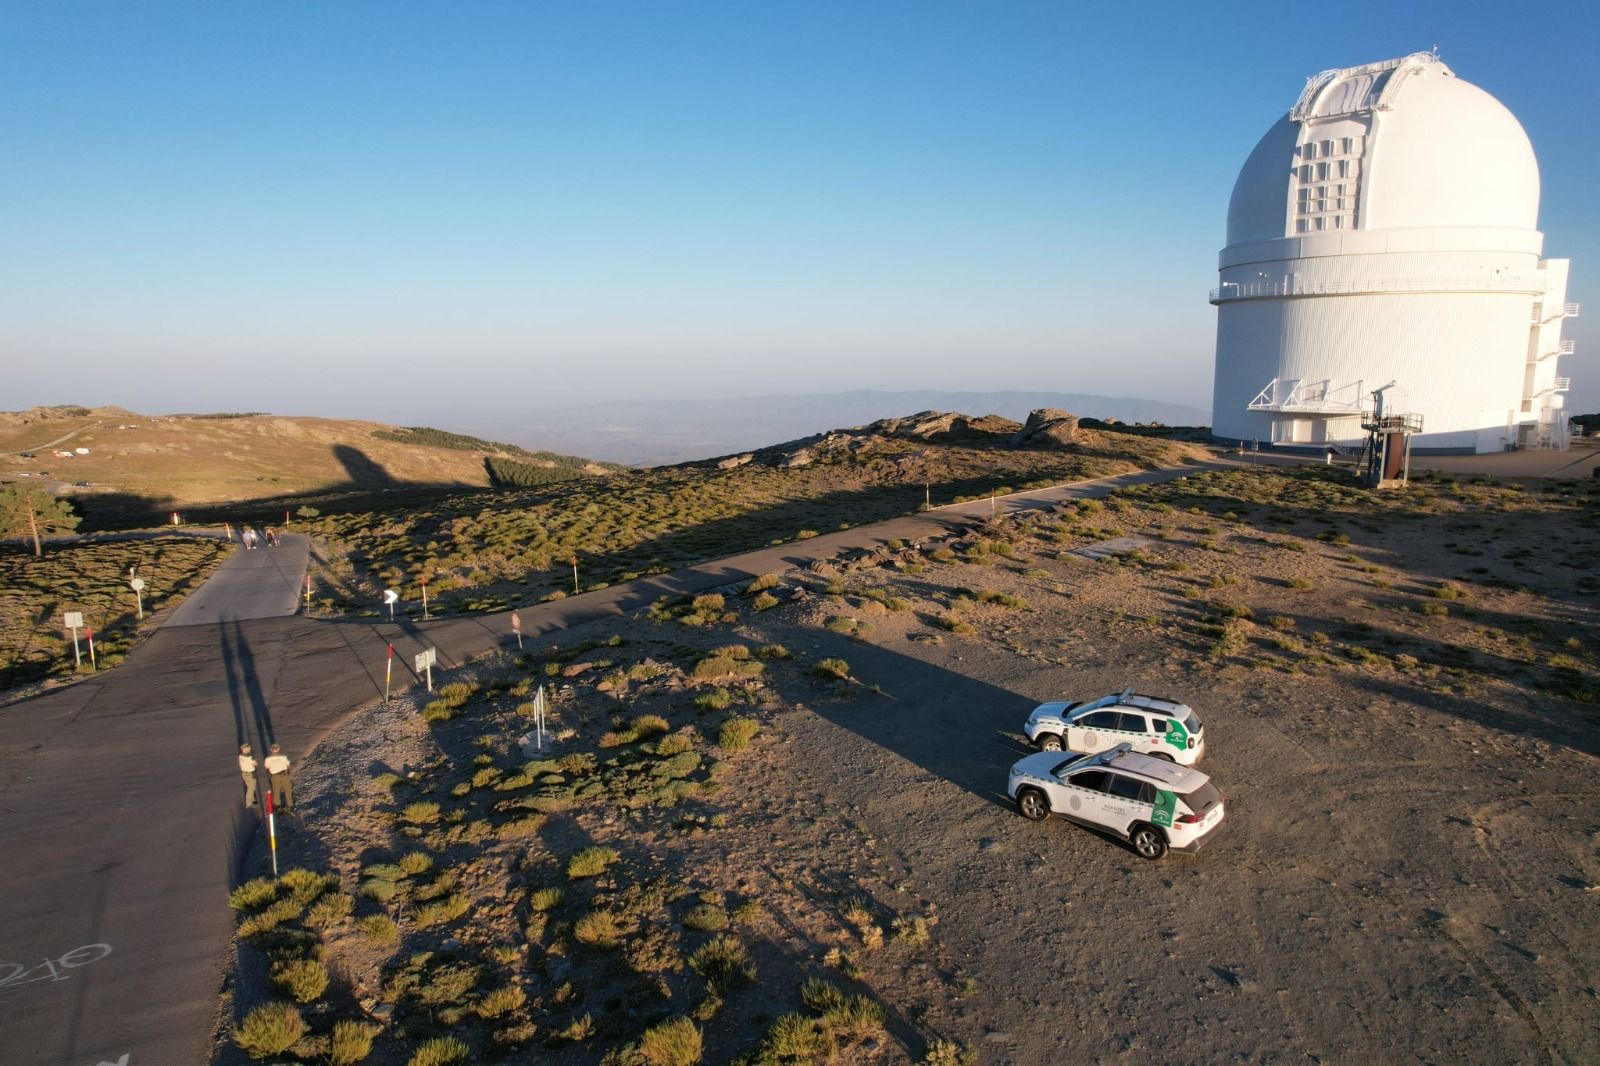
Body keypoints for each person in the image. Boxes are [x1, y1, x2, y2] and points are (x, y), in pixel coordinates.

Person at [264, 743, 293, 811]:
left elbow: (266, 767)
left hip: (274, 776)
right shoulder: (283, 757)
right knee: (287, 790)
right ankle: (290, 804)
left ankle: (277, 806)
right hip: (284, 775)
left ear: (271, 749)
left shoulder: (267, 759)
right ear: (278, 749)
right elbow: (288, 764)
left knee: (276, 791)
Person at [238, 743, 258, 808]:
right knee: (251, 789)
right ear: (244, 749)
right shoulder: (249, 757)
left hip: (244, 774)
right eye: (248, 748)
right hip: (250, 774)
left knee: (250, 788)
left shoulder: (240, 756)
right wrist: (255, 763)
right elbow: (255, 764)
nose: (249, 749)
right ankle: (248, 803)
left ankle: (254, 802)